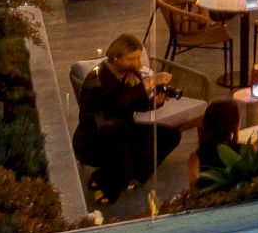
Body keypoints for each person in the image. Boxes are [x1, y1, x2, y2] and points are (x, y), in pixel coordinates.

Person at [73, 33, 179, 203]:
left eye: (138, 58)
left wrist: (155, 102)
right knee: (127, 148)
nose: (137, 64)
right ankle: (109, 187)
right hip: (95, 138)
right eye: (131, 59)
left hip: (122, 130)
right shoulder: (97, 78)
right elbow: (114, 106)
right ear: (116, 57)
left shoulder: (131, 74)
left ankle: (119, 177)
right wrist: (147, 83)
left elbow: (138, 105)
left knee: (170, 136)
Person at [189, 99, 243, 186]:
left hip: (208, 198)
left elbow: (194, 189)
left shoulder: (196, 156)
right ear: (235, 124)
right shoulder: (242, 152)